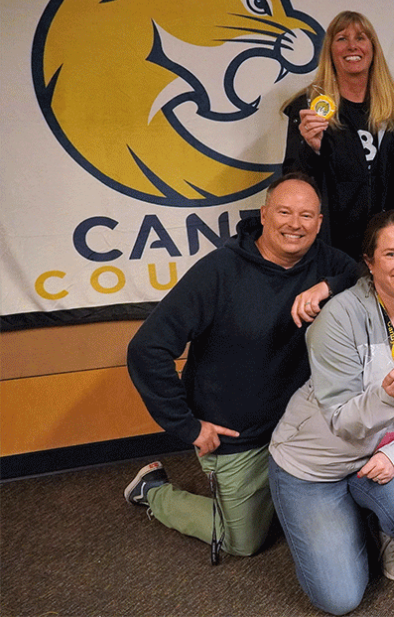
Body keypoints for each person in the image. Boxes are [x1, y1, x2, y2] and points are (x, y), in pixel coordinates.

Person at [124, 172, 360, 561]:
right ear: (264, 215)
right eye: (284, 212)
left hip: (301, 427)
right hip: (239, 437)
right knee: (243, 540)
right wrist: (188, 425)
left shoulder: (328, 262)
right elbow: (146, 349)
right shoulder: (219, 271)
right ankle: (153, 490)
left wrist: (329, 286)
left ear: (319, 223)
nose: (294, 224)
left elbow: (365, 275)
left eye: (306, 216)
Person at [268, 210, 394, 615]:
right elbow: (341, 420)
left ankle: (381, 521)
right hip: (315, 463)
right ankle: (358, 518)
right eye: (390, 254)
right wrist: (389, 399)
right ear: (370, 263)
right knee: (339, 600)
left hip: (385, 455)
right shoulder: (338, 317)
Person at [283, 10, 394, 261]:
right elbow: (291, 186)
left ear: (373, 48)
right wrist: (309, 148)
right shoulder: (310, 107)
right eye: (342, 38)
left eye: (361, 38)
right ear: (330, 51)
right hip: (329, 252)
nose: (352, 46)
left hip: (384, 252)